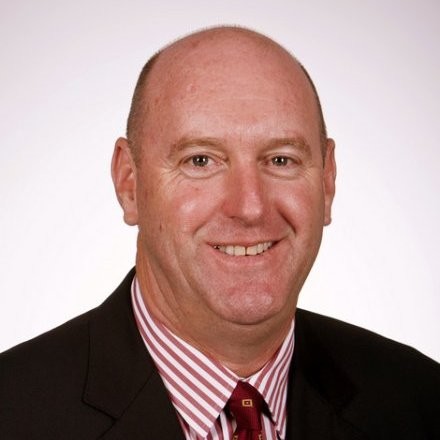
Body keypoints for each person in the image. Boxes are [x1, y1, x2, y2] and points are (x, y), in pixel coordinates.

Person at [0, 26, 439, 440]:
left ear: (327, 182)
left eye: (281, 160)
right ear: (129, 183)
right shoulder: (13, 411)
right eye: (201, 161)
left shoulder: (419, 400)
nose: (249, 207)